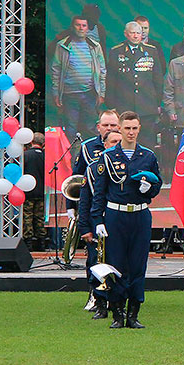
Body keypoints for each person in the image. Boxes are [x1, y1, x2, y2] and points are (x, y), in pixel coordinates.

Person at [90, 111, 162, 329]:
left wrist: (149, 189)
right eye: (127, 128)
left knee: (138, 265)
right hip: (116, 215)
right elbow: (99, 192)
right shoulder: (108, 157)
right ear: (119, 129)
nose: (131, 132)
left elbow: (157, 185)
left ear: (139, 129)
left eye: (134, 128)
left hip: (140, 215)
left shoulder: (148, 156)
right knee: (116, 265)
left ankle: (133, 313)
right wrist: (98, 220)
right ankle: (118, 313)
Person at [70, 110, 120, 313]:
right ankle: (94, 295)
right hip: (92, 210)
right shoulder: (87, 147)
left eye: (113, 125)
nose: (109, 128)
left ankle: (115, 297)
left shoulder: (126, 150)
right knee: (94, 256)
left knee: (115, 257)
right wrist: (71, 207)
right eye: (106, 125)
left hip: (115, 212)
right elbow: (76, 179)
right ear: (98, 126)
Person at [81, 130, 123, 320]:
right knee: (96, 264)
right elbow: (85, 201)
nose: (117, 145)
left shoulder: (127, 166)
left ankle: (117, 303)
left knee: (118, 264)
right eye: (113, 142)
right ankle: (99, 304)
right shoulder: (92, 168)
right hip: (97, 223)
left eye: (120, 141)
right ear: (104, 145)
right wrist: (85, 228)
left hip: (119, 222)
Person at [105, 21, 164, 148]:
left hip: (146, 105)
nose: (136, 36)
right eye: (132, 33)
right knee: (125, 140)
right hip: (124, 104)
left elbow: (158, 79)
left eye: (138, 33)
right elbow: (111, 80)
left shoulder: (151, 51)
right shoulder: (116, 51)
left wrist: (157, 103)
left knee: (147, 142)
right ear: (126, 34)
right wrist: (111, 105)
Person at [51, 15, 107, 141]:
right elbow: (56, 70)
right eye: (78, 25)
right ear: (72, 27)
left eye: (84, 25)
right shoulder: (62, 45)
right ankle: (71, 153)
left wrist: (101, 92)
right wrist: (56, 93)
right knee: (70, 128)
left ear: (87, 28)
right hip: (69, 94)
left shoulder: (95, 46)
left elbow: (102, 70)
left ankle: (94, 151)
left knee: (92, 127)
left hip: (90, 93)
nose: (81, 28)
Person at [21, 133, 47, 250]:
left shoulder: (25, 155)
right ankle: (42, 243)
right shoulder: (46, 156)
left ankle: (28, 244)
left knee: (27, 217)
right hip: (42, 192)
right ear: (43, 144)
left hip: (28, 192)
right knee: (40, 218)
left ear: (31, 141)